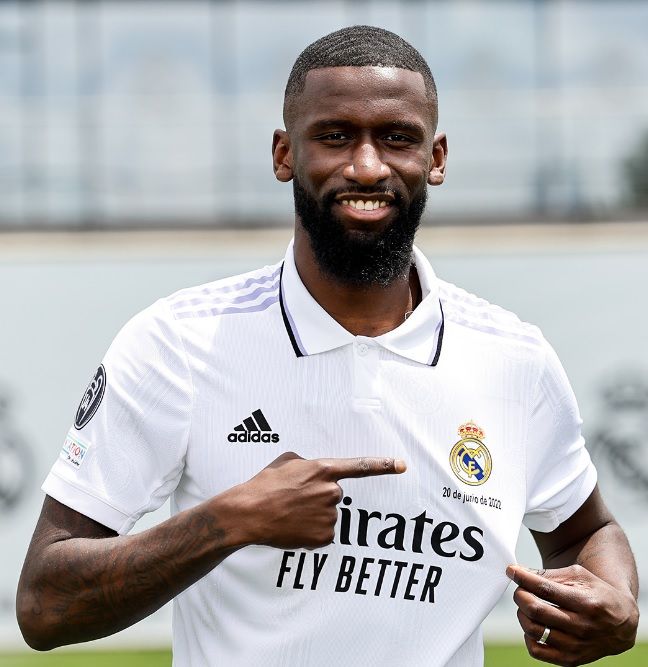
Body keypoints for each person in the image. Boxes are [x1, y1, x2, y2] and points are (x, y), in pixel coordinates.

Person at [17, 26, 638, 667]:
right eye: (335, 136)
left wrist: (616, 602)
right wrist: (228, 522)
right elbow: (44, 604)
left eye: (397, 138)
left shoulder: (515, 359)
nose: (366, 166)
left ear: (437, 158)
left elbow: (585, 533)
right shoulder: (177, 343)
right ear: (285, 154)